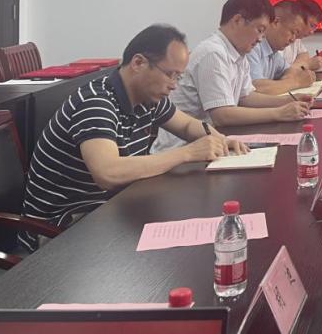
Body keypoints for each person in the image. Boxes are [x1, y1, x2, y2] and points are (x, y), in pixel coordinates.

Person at [20, 25, 248, 249]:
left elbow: (187, 125)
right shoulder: (96, 103)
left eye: (178, 77)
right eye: (169, 75)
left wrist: (220, 140)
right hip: (60, 231)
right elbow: (108, 173)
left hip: (106, 210)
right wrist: (187, 153)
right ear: (138, 63)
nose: (173, 86)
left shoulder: (147, 99)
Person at [153, 0, 310, 152]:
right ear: (237, 20)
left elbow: (245, 97)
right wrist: (278, 113)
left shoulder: (238, 53)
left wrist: (287, 101)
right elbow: (222, 115)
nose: (260, 39)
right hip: (183, 148)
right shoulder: (213, 53)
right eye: (259, 30)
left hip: (213, 141)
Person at [249, 0, 317, 95]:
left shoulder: (273, 51)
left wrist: (288, 80)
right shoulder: (252, 47)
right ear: (276, 22)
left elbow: (290, 70)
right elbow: (256, 88)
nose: (293, 39)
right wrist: (296, 82)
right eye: (292, 32)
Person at [280, 0, 322, 72]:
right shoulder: (280, 39)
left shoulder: (296, 38)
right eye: (312, 25)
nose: (312, 32)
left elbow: (304, 55)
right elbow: (282, 73)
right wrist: (306, 65)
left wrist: (300, 65)